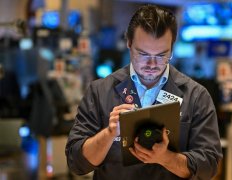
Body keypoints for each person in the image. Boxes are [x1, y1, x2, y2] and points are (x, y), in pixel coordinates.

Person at [65, 4, 222, 180]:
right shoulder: (100, 91)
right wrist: (108, 134)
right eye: (143, 54)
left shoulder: (196, 96)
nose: (152, 65)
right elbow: (76, 161)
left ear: (172, 48)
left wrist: (166, 158)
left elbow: (209, 165)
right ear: (129, 43)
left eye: (162, 55)